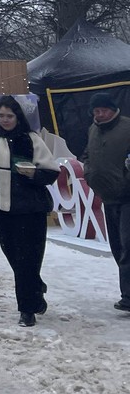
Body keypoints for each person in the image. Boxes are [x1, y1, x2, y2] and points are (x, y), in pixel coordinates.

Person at [0, 95, 60, 326]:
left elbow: (51, 172)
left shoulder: (31, 139)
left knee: (28, 257)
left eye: (9, 116)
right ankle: (34, 287)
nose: (5, 120)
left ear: (18, 117)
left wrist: (32, 174)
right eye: (1, 115)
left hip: (30, 208)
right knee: (13, 255)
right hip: (1, 207)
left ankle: (27, 309)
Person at [82, 91, 130, 313]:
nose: (99, 115)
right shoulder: (93, 129)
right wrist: (88, 170)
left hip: (127, 195)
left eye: (103, 110)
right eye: (96, 111)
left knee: (128, 245)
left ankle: (128, 297)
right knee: (118, 246)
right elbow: (87, 154)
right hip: (107, 195)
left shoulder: (127, 128)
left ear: (113, 110)